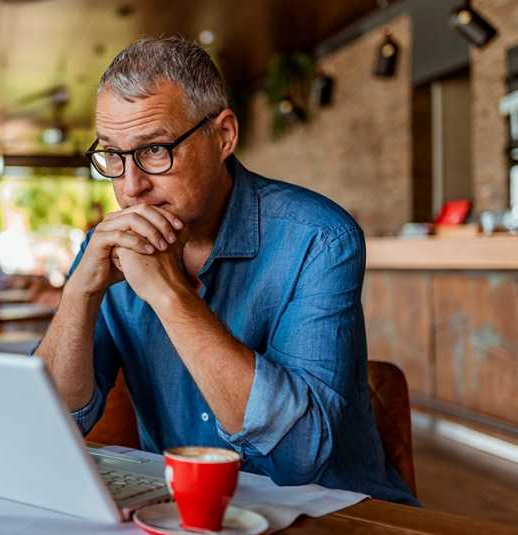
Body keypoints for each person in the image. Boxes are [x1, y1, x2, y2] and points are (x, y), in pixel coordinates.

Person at [34, 36, 417, 505]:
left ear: (224, 136)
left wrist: (170, 295)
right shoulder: (108, 249)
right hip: (185, 513)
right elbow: (51, 426)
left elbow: (299, 457)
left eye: (155, 149)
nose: (131, 186)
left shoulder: (319, 238)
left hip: (331, 516)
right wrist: (79, 293)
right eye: (113, 155)